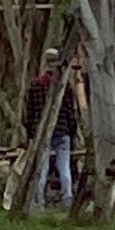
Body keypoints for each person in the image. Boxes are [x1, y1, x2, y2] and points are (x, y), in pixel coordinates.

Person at [21, 49, 78, 209]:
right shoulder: (64, 85)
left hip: (42, 133)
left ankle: (40, 201)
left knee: (42, 168)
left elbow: (30, 112)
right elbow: (70, 111)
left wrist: (31, 132)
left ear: (46, 62)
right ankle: (67, 199)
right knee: (64, 167)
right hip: (63, 131)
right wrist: (71, 130)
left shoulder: (35, 85)